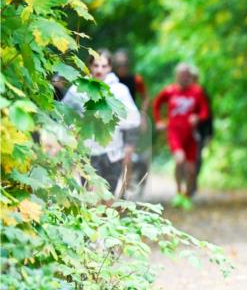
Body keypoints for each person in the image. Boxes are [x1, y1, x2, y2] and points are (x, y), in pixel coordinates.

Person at [62, 50, 141, 196]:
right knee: (92, 197)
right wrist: (71, 130)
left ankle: (106, 216)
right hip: (87, 151)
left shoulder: (120, 90)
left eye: (104, 66)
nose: (99, 70)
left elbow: (134, 118)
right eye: (96, 65)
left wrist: (109, 118)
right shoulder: (77, 89)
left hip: (113, 152)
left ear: (110, 68)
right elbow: (63, 114)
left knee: (108, 198)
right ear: (89, 66)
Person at [152, 62, 209, 208]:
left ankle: (186, 196)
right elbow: (157, 103)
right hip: (174, 132)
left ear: (190, 77)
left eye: (186, 76)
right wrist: (158, 121)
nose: (183, 78)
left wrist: (197, 117)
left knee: (191, 170)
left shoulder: (197, 92)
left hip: (191, 135)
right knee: (179, 160)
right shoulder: (170, 91)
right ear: (176, 76)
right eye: (180, 75)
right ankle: (178, 192)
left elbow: (205, 111)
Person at [112, 49, 149, 196]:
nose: (122, 67)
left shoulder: (136, 79)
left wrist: (143, 115)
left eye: (124, 64)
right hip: (113, 124)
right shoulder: (109, 80)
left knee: (128, 158)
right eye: (119, 64)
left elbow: (145, 96)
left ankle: (124, 194)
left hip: (130, 122)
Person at [189, 66, 214, 196]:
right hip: (183, 133)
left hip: (199, 132)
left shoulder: (202, 93)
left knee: (197, 158)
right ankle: (186, 183)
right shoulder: (179, 91)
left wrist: (209, 134)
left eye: (193, 77)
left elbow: (209, 115)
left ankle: (193, 182)